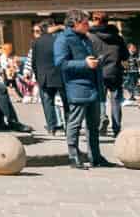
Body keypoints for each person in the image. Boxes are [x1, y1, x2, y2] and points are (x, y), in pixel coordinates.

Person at [54, 10, 109, 170]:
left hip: (93, 86)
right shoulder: (63, 39)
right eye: (85, 23)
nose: (88, 25)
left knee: (94, 124)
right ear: (75, 23)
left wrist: (97, 62)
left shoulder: (86, 38)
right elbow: (61, 64)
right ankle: (74, 156)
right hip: (77, 87)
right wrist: (84, 64)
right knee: (75, 123)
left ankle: (95, 156)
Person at [89, 14, 127, 135]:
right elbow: (126, 56)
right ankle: (116, 128)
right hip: (115, 72)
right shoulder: (117, 37)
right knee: (115, 101)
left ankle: (102, 118)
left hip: (98, 71)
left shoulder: (91, 37)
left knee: (100, 99)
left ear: (96, 21)